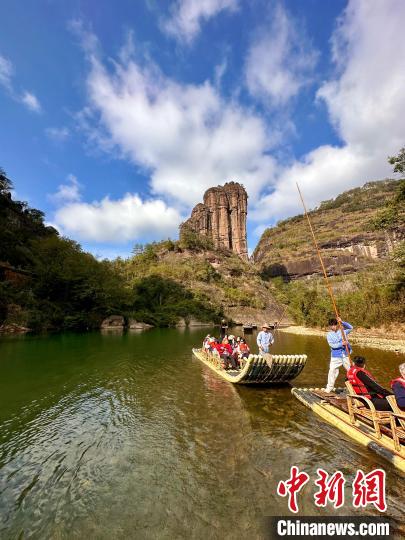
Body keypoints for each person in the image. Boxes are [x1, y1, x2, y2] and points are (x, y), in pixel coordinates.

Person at [325, 316, 353, 393]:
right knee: (332, 371)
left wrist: (342, 321)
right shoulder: (329, 335)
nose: (333, 327)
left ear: (337, 324)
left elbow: (351, 328)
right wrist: (342, 344)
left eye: (334, 325)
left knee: (351, 371)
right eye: (331, 325)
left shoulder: (343, 331)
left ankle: (355, 386)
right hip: (336, 356)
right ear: (329, 326)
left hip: (345, 355)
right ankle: (329, 387)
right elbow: (332, 345)